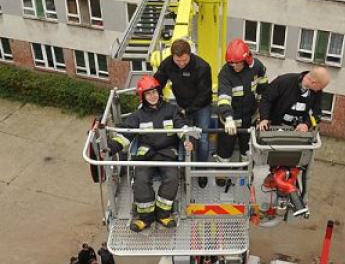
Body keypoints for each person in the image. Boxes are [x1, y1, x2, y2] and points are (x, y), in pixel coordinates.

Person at [107, 75, 193, 232]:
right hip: (146, 155)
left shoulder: (171, 110)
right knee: (140, 180)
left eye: (154, 92)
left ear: (159, 92)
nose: (152, 96)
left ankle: (163, 215)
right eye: (148, 94)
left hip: (167, 154)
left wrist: (187, 140)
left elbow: (182, 126)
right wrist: (109, 148)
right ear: (143, 96)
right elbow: (125, 135)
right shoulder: (137, 116)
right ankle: (145, 218)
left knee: (172, 179)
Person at [154, 38, 212, 187]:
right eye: (177, 60)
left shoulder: (202, 67)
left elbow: (205, 94)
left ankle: (201, 171)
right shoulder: (168, 64)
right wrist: (155, 98)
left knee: (203, 139)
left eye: (184, 61)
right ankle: (182, 168)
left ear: (189, 55)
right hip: (181, 104)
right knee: (181, 136)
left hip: (201, 106)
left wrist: (188, 111)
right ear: (173, 56)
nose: (180, 64)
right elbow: (157, 82)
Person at [217, 39, 268, 162]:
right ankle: (222, 176)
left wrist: (263, 113)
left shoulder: (257, 67)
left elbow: (264, 90)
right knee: (224, 151)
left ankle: (246, 174)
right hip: (230, 122)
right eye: (230, 63)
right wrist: (228, 118)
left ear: (245, 60)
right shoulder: (225, 73)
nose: (232, 66)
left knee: (248, 151)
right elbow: (224, 97)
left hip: (250, 119)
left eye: (235, 63)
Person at [258, 67, 331, 132]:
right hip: (274, 128)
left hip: (297, 133)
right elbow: (266, 99)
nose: (321, 90)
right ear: (314, 83)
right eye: (321, 87)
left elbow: (316, 113)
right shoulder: (284, 81)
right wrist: (264, 118)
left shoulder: (317, 93)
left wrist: (306, 124)